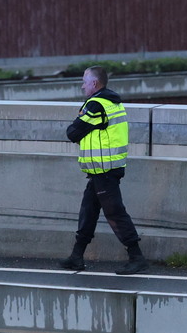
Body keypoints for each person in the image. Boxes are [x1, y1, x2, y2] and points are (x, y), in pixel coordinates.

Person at [59, 65, 148, 275]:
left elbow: (72, 132)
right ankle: (76, 256)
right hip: (104, 169)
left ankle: (137, 257)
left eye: (84, 82)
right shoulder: (112, 102)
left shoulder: (96, 105)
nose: (82, 86)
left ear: (94, 83)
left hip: (104, 170)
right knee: (88, 211)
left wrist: (78, 129)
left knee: (115, 212)